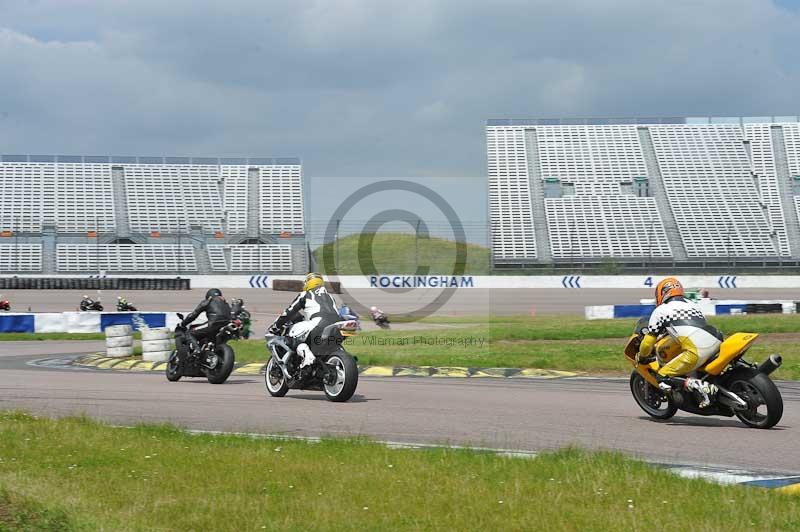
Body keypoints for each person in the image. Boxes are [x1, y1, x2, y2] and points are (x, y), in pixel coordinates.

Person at [637, 277, 722, 407]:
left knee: (662, 376)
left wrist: (642, 357)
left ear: (662, 293)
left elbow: (648, 342)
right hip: (716, 338)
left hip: (697, 349)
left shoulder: (660, 311)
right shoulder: (692, 304)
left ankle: (697, 385)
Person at [268, 272, 340, 368]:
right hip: (336, 325)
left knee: (291, 335)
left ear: (308, 283)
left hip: (318, 323)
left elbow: (288, 312)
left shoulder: (305, 294)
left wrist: (275, 326)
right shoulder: (330, 297)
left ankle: (307, 357)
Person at [181, 288, 232, 354]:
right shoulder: (225, 303)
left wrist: (183, 323)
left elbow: (193, 315)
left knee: (189, 333)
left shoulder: (208, 301)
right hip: (226, 325)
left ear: (208, 296)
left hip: (213, 324)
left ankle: (197, 350)